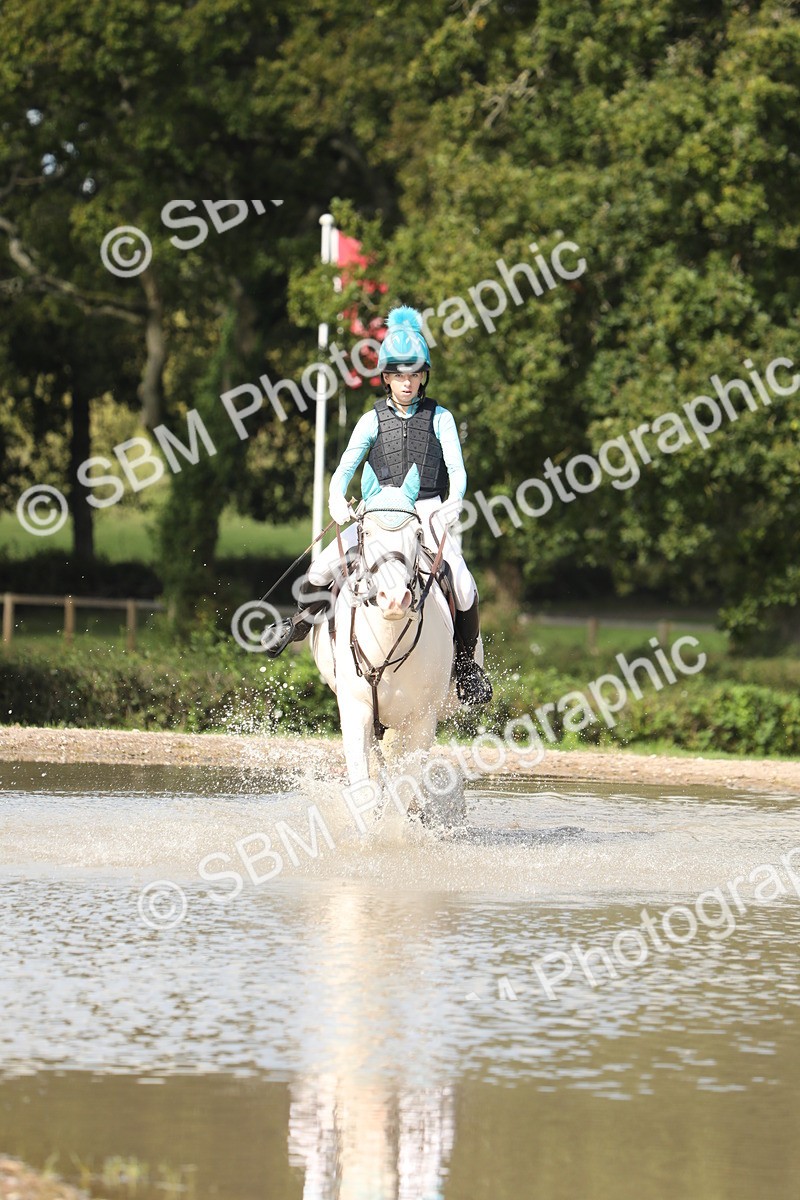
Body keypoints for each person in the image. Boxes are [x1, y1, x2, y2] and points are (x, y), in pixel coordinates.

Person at [263, 305, 493, 706]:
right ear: (386, 378)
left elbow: (457, 469)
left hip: (425, 512)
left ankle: (465, 668)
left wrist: (454, 501)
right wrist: (336, 498)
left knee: (463, 584)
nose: (406, 383)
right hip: (375, 512)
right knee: (321, 567)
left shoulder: (441, 418)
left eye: (414, 375)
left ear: (423, 377)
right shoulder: (370, 420)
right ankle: (299, 623)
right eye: (399, 376)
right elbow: (344, 468)